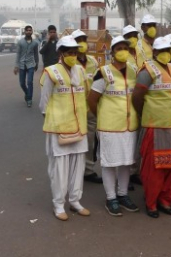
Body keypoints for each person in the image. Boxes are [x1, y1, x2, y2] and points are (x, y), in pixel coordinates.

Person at [131, 37, 171, 218]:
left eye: (168, 50)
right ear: (154, 52)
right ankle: (151, 203)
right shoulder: (147, 70)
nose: (165, 53)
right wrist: (145, 113)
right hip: (156, 126)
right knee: (154, 168)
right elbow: (137, 96)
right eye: (161, 50)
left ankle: (165, 200)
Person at [87, 36, 140, 217]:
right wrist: (103, 116)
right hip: (109, 126)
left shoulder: (133, 70)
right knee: (109, 163)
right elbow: (92, 100)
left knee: (126, 162)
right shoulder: (103, 72)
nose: (123, 51)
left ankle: (123, 194)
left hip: (130, 126)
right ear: (112, 52)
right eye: (119, 48)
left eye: (126, 47)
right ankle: (111, 198)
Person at [39, 36, 90, 221]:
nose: (73, 55)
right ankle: (59, 204)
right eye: (69, 52)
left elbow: (85, 96)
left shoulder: (80, 71)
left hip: (79, 127)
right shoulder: (51, 72)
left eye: (75, 52)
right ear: (61, 53)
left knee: (78, 166)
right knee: (59, 169)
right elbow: (44, 103)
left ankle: (75, 201)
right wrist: (54, 122)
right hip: (59, 128)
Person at [70, 29, 103, 184]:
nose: (81, 43)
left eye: (83, 39)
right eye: (78, 40)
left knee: (90, 141)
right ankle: (73, 171)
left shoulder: (93, 62)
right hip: (74, 109)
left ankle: (88, 170)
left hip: (90, 108)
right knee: (74, 141)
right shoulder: (69, 63)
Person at [14, 25, 39, 107]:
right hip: (21, 65)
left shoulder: (35, 43)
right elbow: (18, 54)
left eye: (30, 30)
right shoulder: (20, 42)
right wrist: (16, 65)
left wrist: (37, 63)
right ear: (25, 32)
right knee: (22, 83)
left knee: (30, 82)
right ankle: (27, 92)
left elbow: (36, 54)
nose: (28, 31)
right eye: (27, 30)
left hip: (31, 64)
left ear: (32, 32)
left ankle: (29, 99)